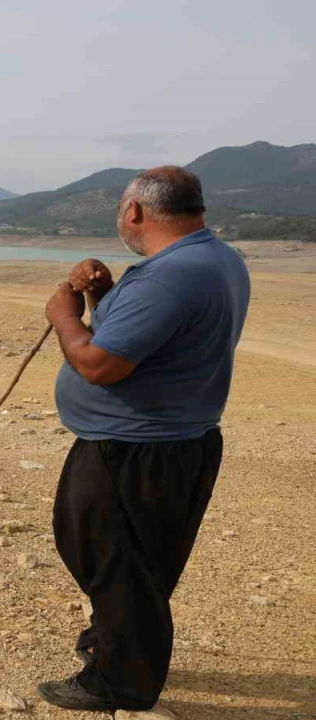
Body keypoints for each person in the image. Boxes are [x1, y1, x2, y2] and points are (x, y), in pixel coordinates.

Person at [38, 166, 250, 713]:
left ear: (134, 211)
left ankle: (118, 683)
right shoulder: (217, 259)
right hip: (175, 442)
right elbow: (151, 335)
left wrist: (63, 315)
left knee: (109, 557)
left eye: (119, 209)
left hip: (133, 448)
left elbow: (99, 363)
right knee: (139, 560)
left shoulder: (168, 277)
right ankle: (116, 643)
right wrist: (104, 294)